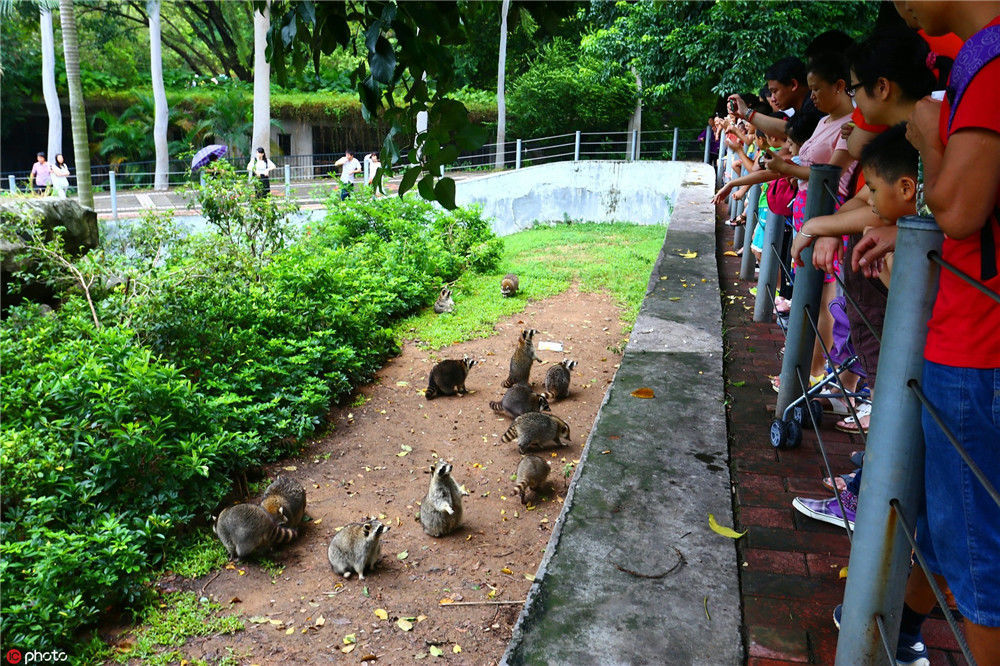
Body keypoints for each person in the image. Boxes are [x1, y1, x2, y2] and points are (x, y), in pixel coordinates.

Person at [862, 2, 1000, 664]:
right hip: (967, 339)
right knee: (954, 531)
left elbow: (960, 209)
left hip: (979, 346)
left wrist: (929, 137)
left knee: (974, 551)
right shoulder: (978, 56)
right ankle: (906, 633)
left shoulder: (991, 59)